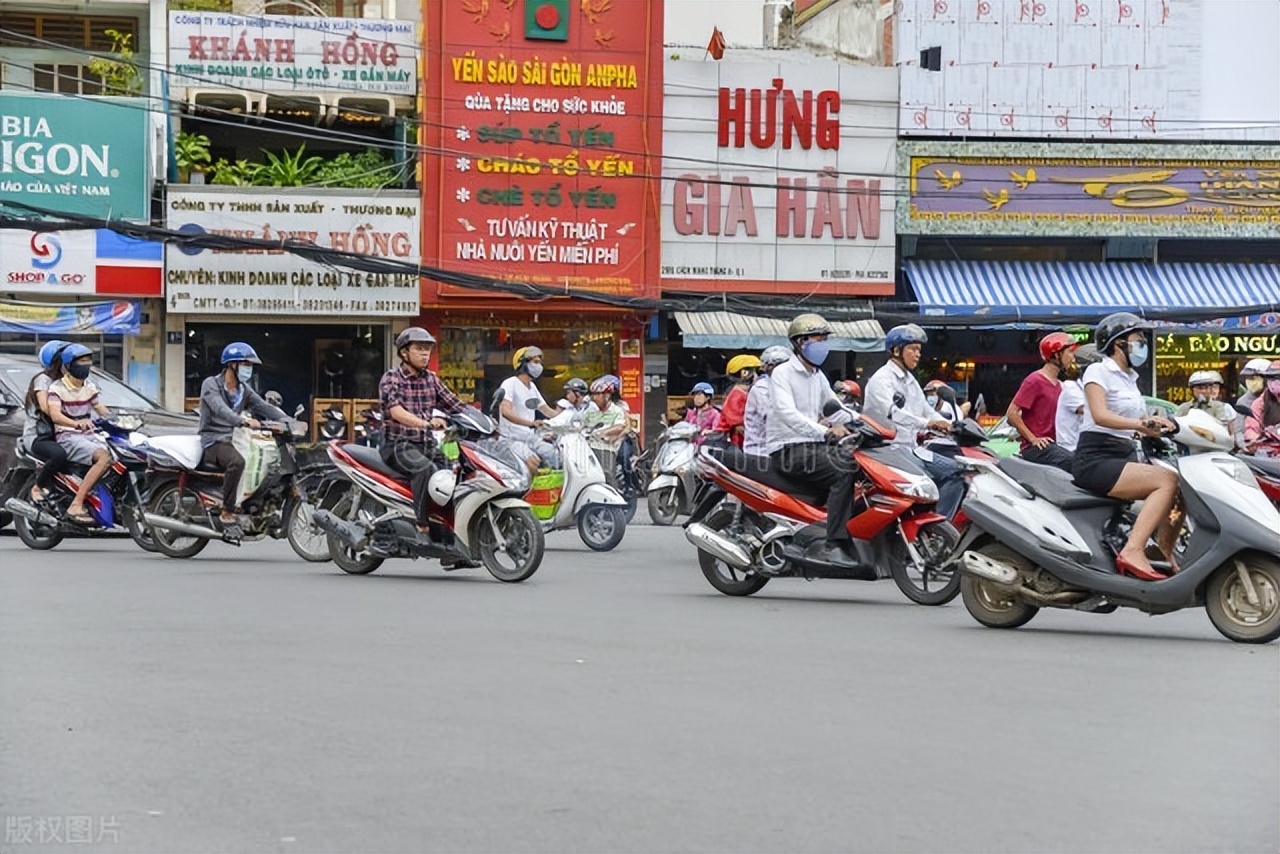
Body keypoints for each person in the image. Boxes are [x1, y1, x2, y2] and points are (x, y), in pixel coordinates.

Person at [1073, 312, 1179, 582]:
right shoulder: (1099, 370)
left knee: (1183, 486)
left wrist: (1160, 424)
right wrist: (1139, 424)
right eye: (1137, 340)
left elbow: (1137, 421)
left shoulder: (1130, 377)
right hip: (1097, 457)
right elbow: (1100, 415)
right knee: (1167, 482)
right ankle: (1133, 550)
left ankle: (1162, 553)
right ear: (1118, 344)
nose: (1143, 344)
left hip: (1124, 454)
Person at [766, 314, 858, 567]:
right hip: (787, 449)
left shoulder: (817, 376)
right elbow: (787, 413)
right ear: (800, 341)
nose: (824, 344)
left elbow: (835, 408)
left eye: (825, 339)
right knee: (844, 470)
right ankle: (834, 542)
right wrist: (824, 431)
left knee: (861, 466)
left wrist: (867, 423)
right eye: (819, 338)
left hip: (812, 446)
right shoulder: (782, 373)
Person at [862, 324, 966, 518]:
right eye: (912, 349)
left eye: (919, 350)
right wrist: (928, 424)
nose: (917, 354)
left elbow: (926, 411)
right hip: (888, 451)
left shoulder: (911, 381)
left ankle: (939, 525)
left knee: (957, 473)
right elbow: (893, 414)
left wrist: (951, 425)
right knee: (925, 485)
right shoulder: (882, 380)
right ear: (896, 350)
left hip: (912, 449)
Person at [379, 327, 470, 532]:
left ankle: (448, 527)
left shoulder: (431, 379)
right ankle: (421, 524)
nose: (424, 354)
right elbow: (397, 412)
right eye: (419, 349)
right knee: (425, 469)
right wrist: (426, 423)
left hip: (425, 444)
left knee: (454, 472)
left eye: (427, 349)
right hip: (397, 445)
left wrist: (483, 422)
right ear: (404, 352)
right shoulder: (392, 378)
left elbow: (456, 405)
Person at [198, 342, 289, 528]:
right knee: (237, 462)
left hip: (234, 439)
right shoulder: (211, 384)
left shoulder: (243, 390)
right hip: (213, 441)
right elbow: (220, 409)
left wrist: (287, 420)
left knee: (264, 458)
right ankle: (227, 510)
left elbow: (263, 407)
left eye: (250, 366)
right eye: (246, 365)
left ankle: (251, 503)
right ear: (232, 365)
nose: (249, 369)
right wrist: (243, 421)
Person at [45, 344, 114, 525]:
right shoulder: (56, 388)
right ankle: (76, 503)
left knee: (120, 453)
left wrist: (119, 420)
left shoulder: (89, 386)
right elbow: (55, 415)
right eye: (81, 361)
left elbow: (100, 408)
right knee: (103, 457)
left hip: (90, 435)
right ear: (69, 365)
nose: (86, 365)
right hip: (68, 436)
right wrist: (76, 423)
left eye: (88, 361)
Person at [1006, 332, 1079, 473]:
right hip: (1037, 448)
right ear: (1056, 355)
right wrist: (1033, 439)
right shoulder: (1034, 381)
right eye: (1069, 352)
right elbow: (1012, 413)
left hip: (1056, 446)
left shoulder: (1061, 385)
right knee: (1072, 462)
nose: (1073, 357)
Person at [21, 340, 71, 503]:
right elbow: (45, 407)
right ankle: (37, 487)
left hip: (60, 435)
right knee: (59, 455)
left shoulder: (67, 382)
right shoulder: (43, 380)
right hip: (38, 437)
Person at [498, 346, 561, 474]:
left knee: (554, 454)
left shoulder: (532, 387)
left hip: (529, 437)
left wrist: (569, 417)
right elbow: (505, 412)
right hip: (511, 438)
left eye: (540, 362)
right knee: (534, 461)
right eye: (535, 362)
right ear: (523, 363)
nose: (539, 366)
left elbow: (547, 410)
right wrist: (531, 423)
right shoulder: (510, 384)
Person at [743, 346, 792, 457]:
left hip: (782, 451)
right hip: (761, 454)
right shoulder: (762, 389)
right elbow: (775, 418)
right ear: (769, 368)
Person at [1054, 344, 1101, 454]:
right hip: (1072, 450)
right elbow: (1093, 413)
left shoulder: (1089, 389)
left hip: (1087, 448)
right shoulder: (1071, 388)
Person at [1175, 370, 1239, 446]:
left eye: (1206, 387)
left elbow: (1227, 430)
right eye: (1199, 388)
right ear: (1192, 390)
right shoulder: (1184, 408)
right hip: (1190, 446)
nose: (1203, 391)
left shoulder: (1221, 407)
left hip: (1215, 446)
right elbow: (1177, 427)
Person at [715, 354, 761, 448]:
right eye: (754, 372)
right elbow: (737, 424)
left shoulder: (747, 393)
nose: (757, 376)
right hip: (737, 440)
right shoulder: (736, 395)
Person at [1243, 360, 1280, 455]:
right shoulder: (1260, 403)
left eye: (1278, 378)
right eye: (1270, 379)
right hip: (1270, 452)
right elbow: (1251, 427)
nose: (1274, 382)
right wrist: (1254, 439)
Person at [583, 375, 629, 443]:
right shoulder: (590, 407)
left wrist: (615, 437)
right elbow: (582, 423)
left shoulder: (620, 406)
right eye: (593, 394)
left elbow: (624, 427)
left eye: (598, 394)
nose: (594, 398)